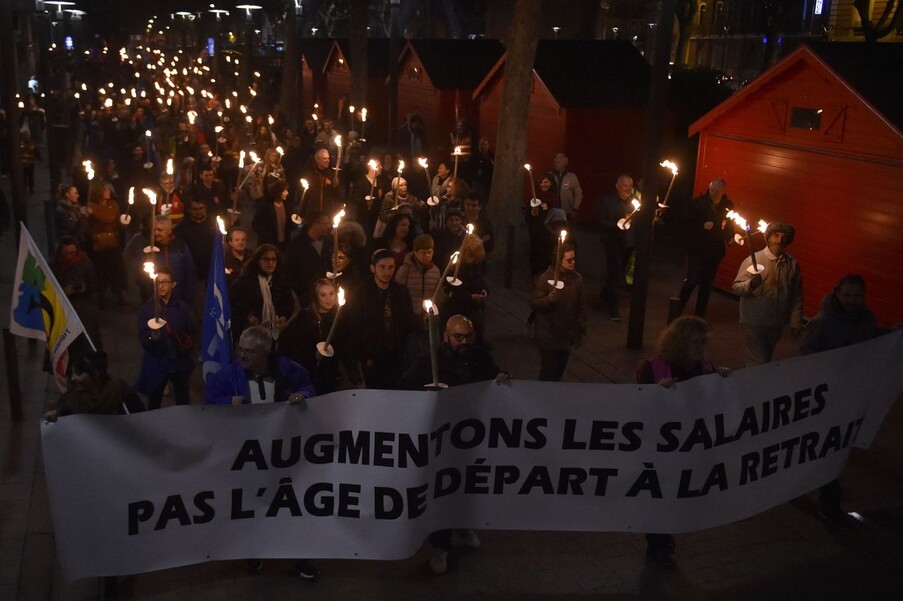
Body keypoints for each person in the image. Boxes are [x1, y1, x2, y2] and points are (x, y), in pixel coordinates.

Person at [204, 326, 320, 582]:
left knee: (287, 503)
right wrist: (227, 404)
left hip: (281, 451)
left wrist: (303, 395)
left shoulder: (288, 369)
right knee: (252, 503)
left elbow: (308, 385)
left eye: (249, 352)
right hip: (247, 454)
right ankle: (254, 549)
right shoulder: (230, 375)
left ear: (265, 352)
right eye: (240, 350)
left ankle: (295, 554)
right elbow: (210, 399)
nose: (242, 356)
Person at [401, 314, 509, 574]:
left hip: (470, 435)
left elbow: (493, 376)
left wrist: (503, 378)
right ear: (445, 336)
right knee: (442, 488)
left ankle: (461, 525)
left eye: (467, 336)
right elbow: (404, 389)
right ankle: (441, 546)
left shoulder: (479, 357)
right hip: (441, 437)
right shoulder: (429, 361)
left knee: (465, 483)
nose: (463, 341)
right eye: (457, 337)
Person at [800, 274, 885, 528]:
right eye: (847, 295)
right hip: (827, 396)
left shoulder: (867, 319)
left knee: (838, 444)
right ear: (837, 293)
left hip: (852, 396)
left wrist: (890, 335)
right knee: (830, 445)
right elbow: (807, 354)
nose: (852, 300)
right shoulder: (821, 323)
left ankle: (825, 488)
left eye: (857, 296)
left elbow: (872, 339)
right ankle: (829, 499)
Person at [636, 316, 720, 568]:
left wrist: (726, 382)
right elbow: (636, 408)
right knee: (659, 497)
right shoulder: (653, 368)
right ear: (680, 343)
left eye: (703, 343)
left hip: (690, 448)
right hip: (661, 450)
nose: (700, 348)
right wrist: (656, 393)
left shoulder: (706, 368)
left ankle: (665, 538)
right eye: (695, 342)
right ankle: (659, 543)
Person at [732, 222, 803, 366]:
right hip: (755, 318)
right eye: (776, 236)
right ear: (769, 238)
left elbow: (796, 293)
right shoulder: (755, 260)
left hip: (777, 320)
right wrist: (751, 285)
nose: (780, 240)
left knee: (766, 356)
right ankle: (752, 385)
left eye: (784, 237)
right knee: (758, 359)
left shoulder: (791, 263)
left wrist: (796, 320)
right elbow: (736, 287)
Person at [349, 249, 417, 389]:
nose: (387, 272)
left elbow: (408, 320)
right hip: (372, 357)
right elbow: (355, 326)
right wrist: (363, 357)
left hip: (396, 355)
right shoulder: (361, 293)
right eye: (382, 267)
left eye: (391, 267)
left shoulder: (401, 292)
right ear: (373, 268)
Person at [135, 266, 195, 410]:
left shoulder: (181, 307)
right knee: (154, 400)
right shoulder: (148, 309)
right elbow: (143, 337)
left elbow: (191, 331)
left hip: (179, 361)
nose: (161, 286)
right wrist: (152, 337)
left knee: (183, 400)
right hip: (158, 361)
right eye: (158, 283)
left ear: (173, 284)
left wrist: (187, 346)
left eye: (165, 282)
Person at [279, 279, 352, 395]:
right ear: (316, 297)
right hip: (309, 377)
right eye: (323, 295)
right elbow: (290, 345)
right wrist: (313, 356)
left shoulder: (339, 319)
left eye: (331, 294)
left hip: (330, 376)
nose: (328, 299)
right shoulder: (305, 318)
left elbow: (345, 348)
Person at [676, 178, 734, 317]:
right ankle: (678, 308)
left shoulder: (728, 206)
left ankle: (699, 314)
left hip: (715, 251)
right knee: (692, 280)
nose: (713, 193)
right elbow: (686, 223)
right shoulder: (698, 203)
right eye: (711, 190)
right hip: (698, 248)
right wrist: (701, 226)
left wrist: (730, 237)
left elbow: (729, 225)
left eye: (717, 191)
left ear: (723, 191)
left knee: (707, 284)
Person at [530, 243, 586, 381]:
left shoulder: (577, 279)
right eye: (568, 260)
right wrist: (548, 299)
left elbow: (581, 305)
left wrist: (580, 326)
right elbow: (534, 303)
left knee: (559, 370)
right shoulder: (545, 279)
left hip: (566, 335)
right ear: (558, 261)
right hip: (549, 334)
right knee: (549, 371)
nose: (573, 262)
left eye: (574, 258)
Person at [230, 244, 298, 342]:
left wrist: (283, 316)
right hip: (249, 332)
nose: (270, 263)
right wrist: (248, 316)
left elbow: (288, 302)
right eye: (266, 259)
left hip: (274, 332)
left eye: (273, 259)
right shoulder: (246, 281)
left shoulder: (281, 281)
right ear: (258, 261)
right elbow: (233, 302)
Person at [123, 215, 196, 304]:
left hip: (178, 295)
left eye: (160, 230)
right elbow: (139, 272)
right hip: (154, 296)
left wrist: (189, 294)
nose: (156, 233)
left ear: (169, 231)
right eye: (154, 230)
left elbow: (190, 269)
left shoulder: (180, 245)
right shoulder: (148, 248)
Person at [595, 174, 636, 321]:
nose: (628, 189)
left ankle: (605, 295)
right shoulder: (607, 202)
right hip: (613, 243)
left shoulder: (634, 202)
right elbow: (600, 221)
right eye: (625, 186)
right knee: (615, 274)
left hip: (628, 243)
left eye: (630, 186)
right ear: (617, 186)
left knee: (618, 272)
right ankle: (613, 308)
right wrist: (616, 224)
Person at [86, 181, 127, 307]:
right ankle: (101, 295)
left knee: (116, 269)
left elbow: (116, 221)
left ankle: (118, 293)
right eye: (106, 190)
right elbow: (104, 219)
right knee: (101, 270)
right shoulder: (91, 207)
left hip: (113, 242)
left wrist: (123, 222)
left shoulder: (113, 204)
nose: (109, 191)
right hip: (99, 245)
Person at [284, 210, 333, 300]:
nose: (328, 226)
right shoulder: (297, 244)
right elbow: (290, 271)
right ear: (315, 224)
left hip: (325, 294)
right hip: (305, 295)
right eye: (325, 224)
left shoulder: (329, 242)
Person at [173, 195, 215, 284]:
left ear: (205, 207)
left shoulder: (214, 225)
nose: (199, 212)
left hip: (211, 272)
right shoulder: (181, 229)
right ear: (189, 210)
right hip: (191, 275)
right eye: (195, 209)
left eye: (201, 208)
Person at [252, 180, 294, 252]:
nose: (287, 193)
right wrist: (266, 236)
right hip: (269, 244)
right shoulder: (265, 206)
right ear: (278, 192)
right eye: (284, 191)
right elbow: (255, 224)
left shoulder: (287, 206)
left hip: (284, 245)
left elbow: (288, 224)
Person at [301, 148, 341, 222]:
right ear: (317, 160)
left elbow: (338, 195)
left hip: (328, 213)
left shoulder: (333, 174)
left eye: (328, 158)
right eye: (324, 158)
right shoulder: (310, 174)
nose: (327, 160)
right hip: (313, 212)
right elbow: (305, 194)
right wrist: (302, 213)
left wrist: (336, 185)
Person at [552, 153, 582, 220]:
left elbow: (578, 193)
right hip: (552, 211)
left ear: (564, 163)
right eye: (554, 162)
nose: (555, 164)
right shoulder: (550, 176)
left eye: (557, 162)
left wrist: (575, 208)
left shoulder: (572, 177)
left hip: (567, 212)